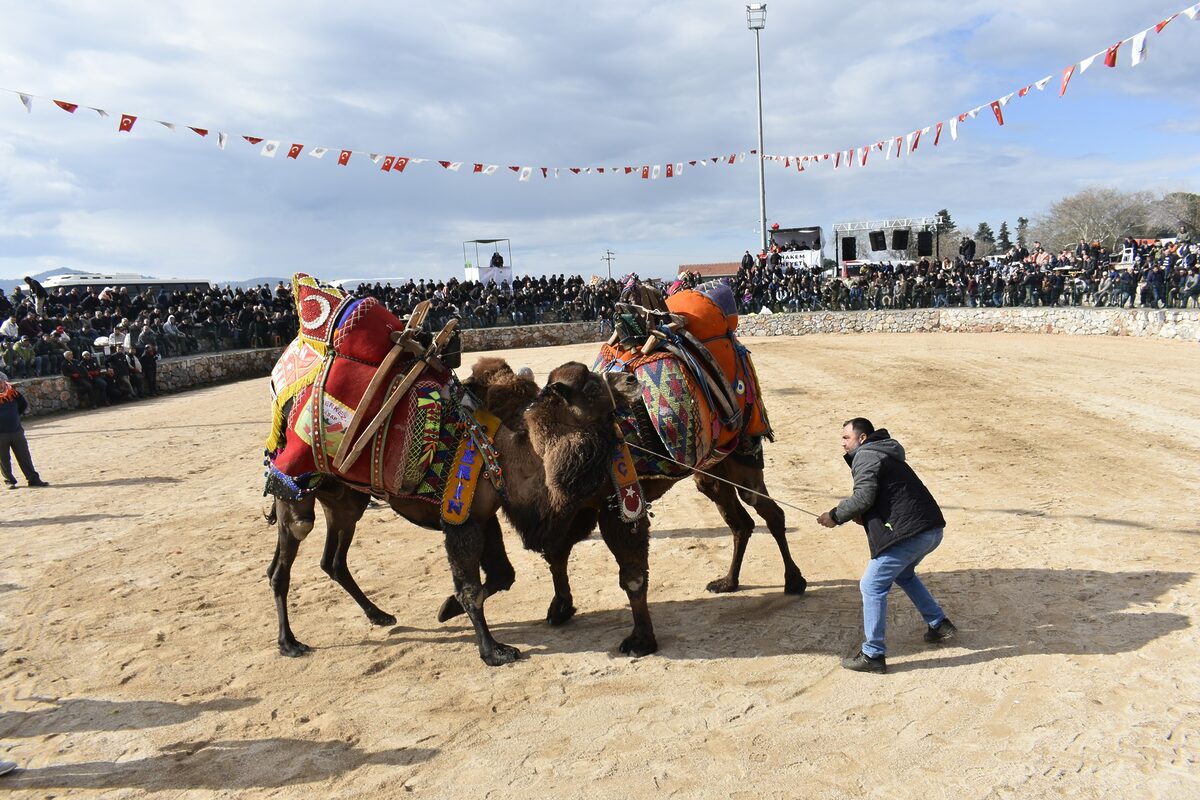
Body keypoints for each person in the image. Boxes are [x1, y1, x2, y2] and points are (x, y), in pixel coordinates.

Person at [817, 418, 955, 674]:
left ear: (862, 438)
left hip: (912, 533)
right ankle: (938, 623)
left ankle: (873, 654)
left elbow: (863, 496)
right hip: (932, 530)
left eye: (847, 437)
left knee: (871, 585)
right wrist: (863, 515)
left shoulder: (866, 455)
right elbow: (881, 497)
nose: (843, 443)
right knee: (903, 574)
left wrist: (835, 516)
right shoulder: (883, 452)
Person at [0, 371, 49, 489]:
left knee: (24, 456)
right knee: (3, 458)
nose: (0, 384)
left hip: (16, 430)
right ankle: (9, 481)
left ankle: (33, 479)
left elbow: (23, 405)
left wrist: (15, 417)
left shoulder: (13, 392)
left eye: (0, 381)